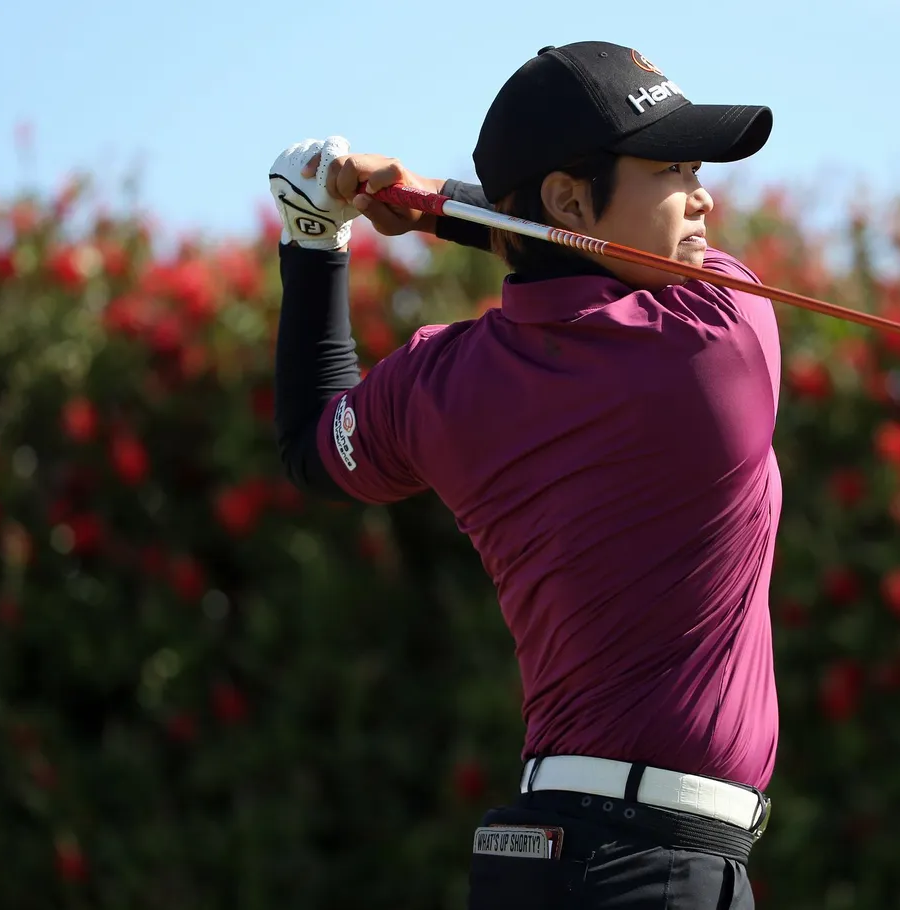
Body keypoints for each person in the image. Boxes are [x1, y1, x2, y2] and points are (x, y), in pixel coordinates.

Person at [268, 40, 780, 909]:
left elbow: (313, 448)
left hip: (541, 858)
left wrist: (314, 236)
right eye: (672, 169)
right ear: (570, 199)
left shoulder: (443, 382)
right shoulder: (716, 334)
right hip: (653, 871)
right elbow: (588, 250)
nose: (704, 197)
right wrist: (436, 204)